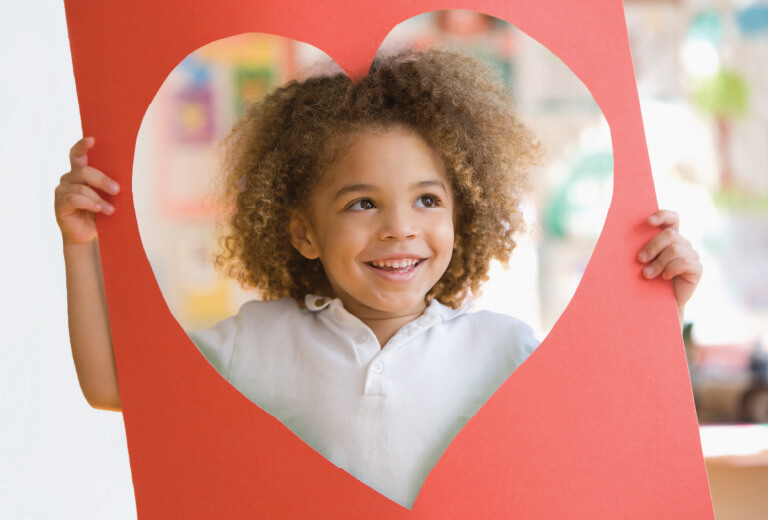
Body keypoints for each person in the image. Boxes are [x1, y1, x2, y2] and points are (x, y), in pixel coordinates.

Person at [54, 49, 702, 508]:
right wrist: (80, 248)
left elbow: (601, 421)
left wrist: (658, 308)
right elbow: (113, 384)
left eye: (427, 201)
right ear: (303, 232)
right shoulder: (259, 339)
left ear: (461, 214)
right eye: (363, 203)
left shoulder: (500, 347)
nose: (400, 228)